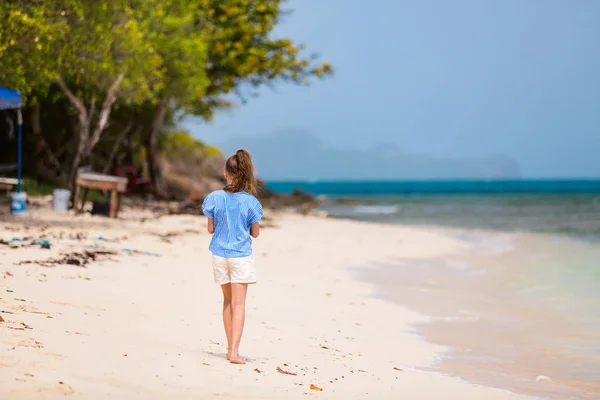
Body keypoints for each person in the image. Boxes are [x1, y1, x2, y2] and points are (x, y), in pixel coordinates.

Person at [201, 149, 263, 365]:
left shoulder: (213, 198)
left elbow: (211, 229)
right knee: (239, 304)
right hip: (240, 256)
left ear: (225, 172)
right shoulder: (251, 202)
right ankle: (234, 352)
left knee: (227, 301)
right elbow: (254, 233)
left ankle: (230, 349)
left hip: (219, 255)